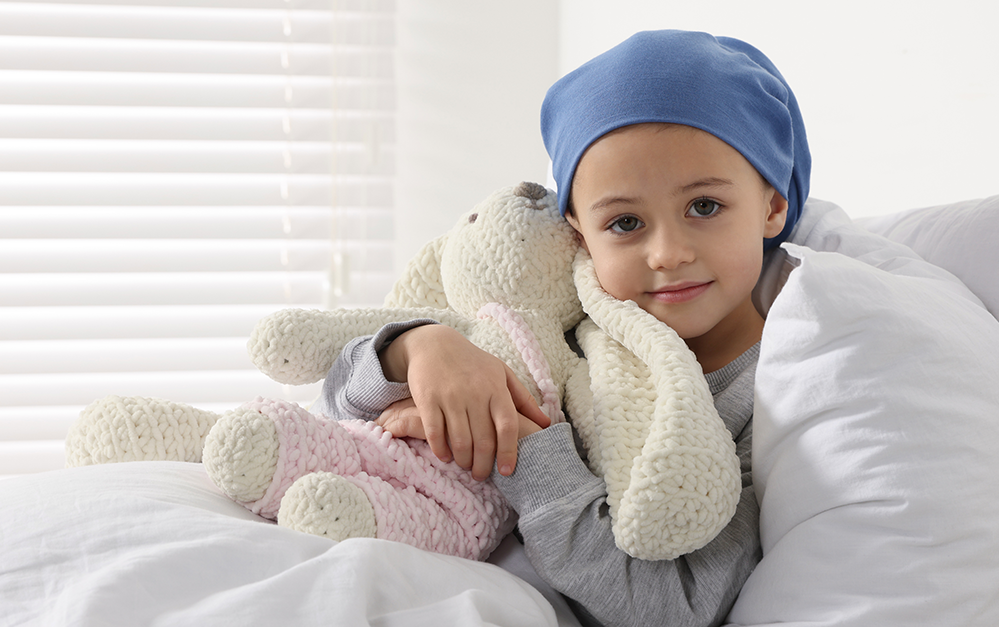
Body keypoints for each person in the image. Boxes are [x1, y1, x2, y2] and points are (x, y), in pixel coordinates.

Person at [313, 29, 811, 627]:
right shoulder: (561, 321)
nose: (667, 253)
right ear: (579, 231)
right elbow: (335, 405)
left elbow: (673, 607)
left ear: (772, 205)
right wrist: (416, 350)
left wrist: (515, 449)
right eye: (626, 222)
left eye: (704, 206)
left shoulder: (771, 396)